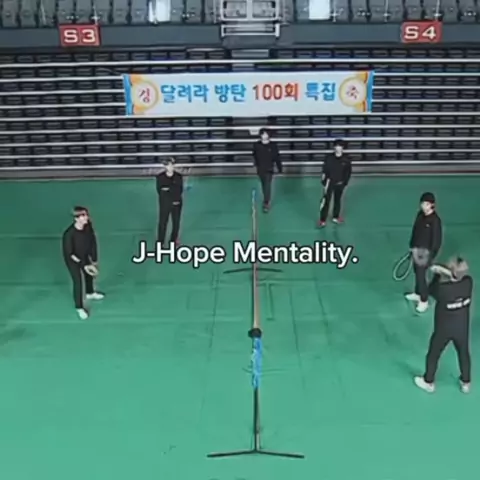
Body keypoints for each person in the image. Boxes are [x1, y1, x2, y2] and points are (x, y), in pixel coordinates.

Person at [414, 257, 472, 394]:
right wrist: (448, 272)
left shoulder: (442, 289)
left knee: (433, 354)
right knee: (463, 354)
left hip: (443, 330)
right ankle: (466, 382)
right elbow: (457, 278)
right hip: (461, 329)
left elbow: (430, 290)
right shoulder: (468, 282)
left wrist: (438, 274)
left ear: (450, 271)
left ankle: (428, 382)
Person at [62, 206, 104, 320]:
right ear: (76, 218)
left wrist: (93, 259)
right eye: (83, 216)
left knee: (89, 275)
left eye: (86, 215)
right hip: (73, 260)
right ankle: (79, 307)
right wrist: (84, 265)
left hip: (84, 255)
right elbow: (71, 254)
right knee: (78, 282)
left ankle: (90, 292)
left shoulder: (88, 227)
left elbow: (92, 241)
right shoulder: (69, 235)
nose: (87, 217)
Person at [405, 192, 442, 313]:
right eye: (422, 203)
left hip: (425, 253)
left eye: (426, 204)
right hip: (416, 250)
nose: (423, 206)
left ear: (432, 205)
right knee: (417, 273)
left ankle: (424, 300)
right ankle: (417, 293)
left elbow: (436, 241)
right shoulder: (420, 215)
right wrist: (411, 246)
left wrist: (431, 257)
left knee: (421, 277)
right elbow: (415, 231)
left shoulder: (435, 221)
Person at [318, 139, 351, 227]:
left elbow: (348, 172)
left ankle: (335, 217)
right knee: (326, 201)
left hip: (340, 184)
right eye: (336, 146)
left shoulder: (346, 160)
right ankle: (322, 220)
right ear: (334, 147)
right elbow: (324, 171)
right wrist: (324, 182)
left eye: (340, 146)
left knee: (337, 200)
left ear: (343, 148)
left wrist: (345, 182)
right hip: (329, 183)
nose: (338, 148)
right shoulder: (329, 158)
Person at [252, 128, 282, 212]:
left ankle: (266, 202)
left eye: (265, 133)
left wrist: (280, 168)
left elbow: (277, 157)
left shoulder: (273, 146)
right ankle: (266, 199)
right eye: (262, 133)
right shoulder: (257, 145)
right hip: (260, 168)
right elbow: (254, 155)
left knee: (267, 185)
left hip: (269, 168)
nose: (264, 135)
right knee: (263, 185)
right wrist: (255, 163)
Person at [156, 157, 183, 245]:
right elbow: (160, 191)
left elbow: (179, 190)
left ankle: (173, 240)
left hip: (176, 203)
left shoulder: (179, 177)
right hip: (165, 204)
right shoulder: (160, 177)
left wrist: (168, 189)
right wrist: (172, 188)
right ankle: (160, 242)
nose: (170, 167)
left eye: (172, 165)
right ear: (165, 166)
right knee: (162, 223)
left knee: (176, 223)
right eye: (168, 165)